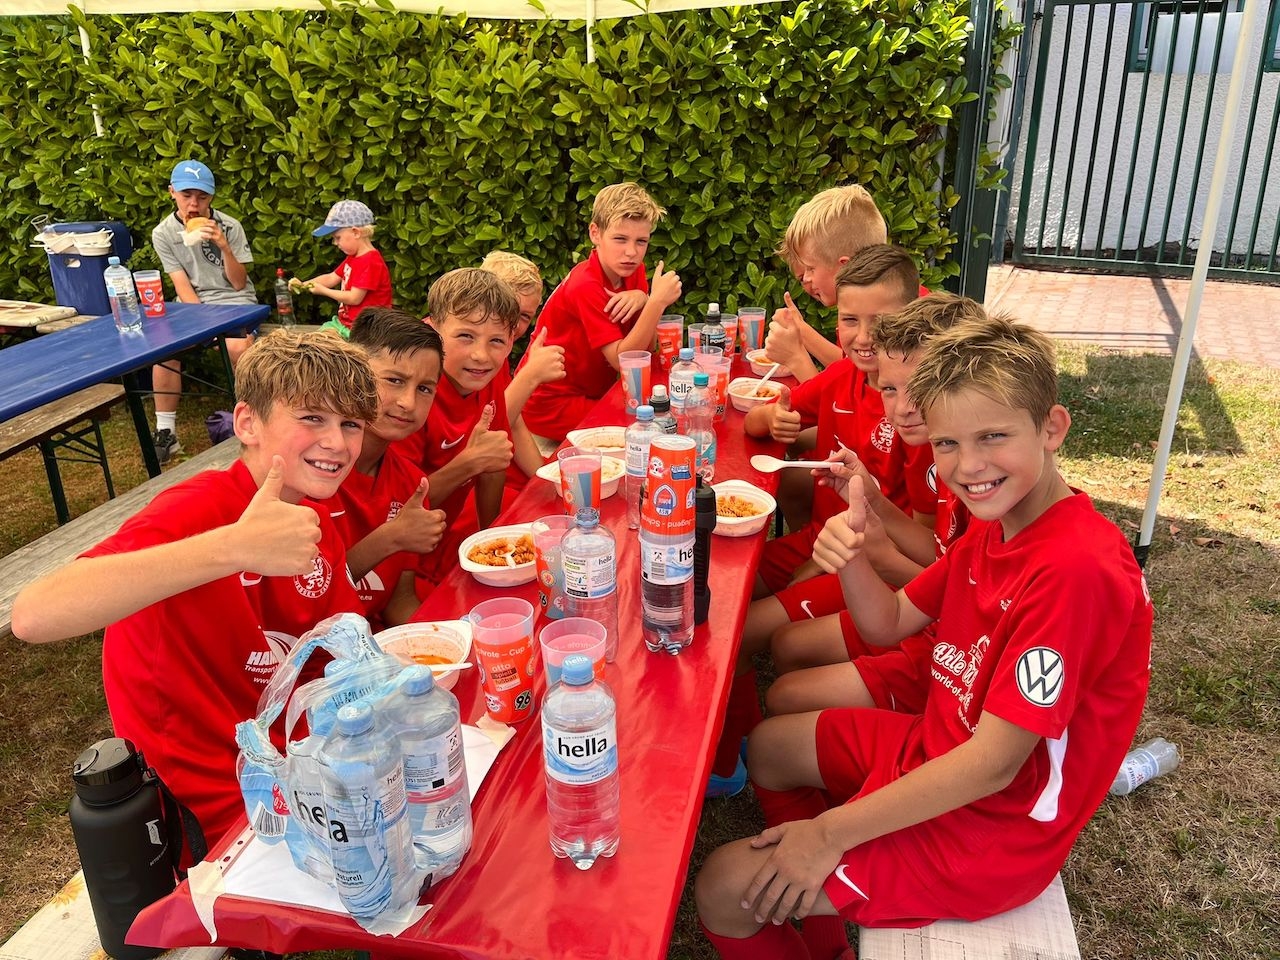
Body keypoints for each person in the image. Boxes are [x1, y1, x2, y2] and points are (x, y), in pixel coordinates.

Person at [694, 316, 1153, 960]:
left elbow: (994, 765)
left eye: (993, 436)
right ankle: (828, 942)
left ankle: (817, 884)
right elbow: (888, 622)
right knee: (770, 747)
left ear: (1052, 427)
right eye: (947, 444)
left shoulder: (1075, 569)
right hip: (937, 746)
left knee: (722, 886)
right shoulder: (998, 524)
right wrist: (854, 555)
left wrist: (828, 833)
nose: (969, 466)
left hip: (993, 831)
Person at [11, 330, 377, 847]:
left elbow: (334, 651)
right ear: (247, 423)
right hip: (212, 805)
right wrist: (233, 547)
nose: (337, 442)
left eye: (351, 424)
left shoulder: (312, 516)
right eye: (312, 417)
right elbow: (33, 615)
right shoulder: (199, 508)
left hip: (300, 766)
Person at [707, 246, 925, 801]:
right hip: (821, 541)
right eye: (850, 320)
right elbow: (760, 420)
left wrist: (847, 556)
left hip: (863, 565)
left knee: (740, 629)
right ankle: (738, 739)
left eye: (881, 321)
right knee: (719, 588)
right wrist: (775, 418)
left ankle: (740, 753)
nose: (864, 337)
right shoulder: (846, 376)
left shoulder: (919, 417)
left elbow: (926, 553)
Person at [520, 181, 683, 446]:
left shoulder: (632, 270)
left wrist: (644, 301)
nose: (631, 252)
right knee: (645, 429)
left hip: (592, 394)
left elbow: (646, 350)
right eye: (620, 239)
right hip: (551, 404)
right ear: (595, 233)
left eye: (641, 241)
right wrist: (655, 303)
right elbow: (623, 362)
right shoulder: (585, 284)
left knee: (667, 414)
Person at [393, 268, 519, 584]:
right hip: (401, 559)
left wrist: (492, 543)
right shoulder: (409, 393)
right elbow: (396, 512)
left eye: (496, 341)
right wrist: (469, 463)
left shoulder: (486, 372)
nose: (481, 355)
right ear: (433, 329)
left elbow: (494, 461)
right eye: (465, 336)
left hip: (449, 532)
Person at [337, 308, 448, 630]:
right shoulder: (313, 472)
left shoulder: (412, 483)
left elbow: (399, 601)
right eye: (394, 380)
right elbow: (303, 596)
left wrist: (442, 640)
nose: (408, 403)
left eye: (425, 388)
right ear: (353, 373)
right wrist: (391, 538)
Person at [150, 159, 258, 464]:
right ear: (172, 192)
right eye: (186, 196)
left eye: (202, 197)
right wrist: (205, 327)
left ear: (211, 197)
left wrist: (224, 247)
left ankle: (253, 418)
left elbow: (239, 284)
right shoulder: (163, 233)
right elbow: (182, 286)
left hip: (235, 301)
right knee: (164, 350)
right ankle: (166, 432)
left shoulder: (230, 226)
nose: (194, 204)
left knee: (238, 347)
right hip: (192, 305)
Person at [766, 185, 890, 385]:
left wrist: (796, 358)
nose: (806, 279)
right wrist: (801, 330)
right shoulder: (870, 299)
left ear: (845, 267)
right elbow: (850, 367)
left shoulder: (894, 319)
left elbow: (843, 401)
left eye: (810, 268)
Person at [291, 200, 393, 338]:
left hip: (368, 330)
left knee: (325, 345)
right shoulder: (353, 257)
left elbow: (354, 298)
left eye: (337, 238)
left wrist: (324, 291)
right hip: (346, 324)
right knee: (316, 339)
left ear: (355, 232)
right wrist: (303, 285)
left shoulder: (371, 261)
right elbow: (331, 278)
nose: (335, 243)